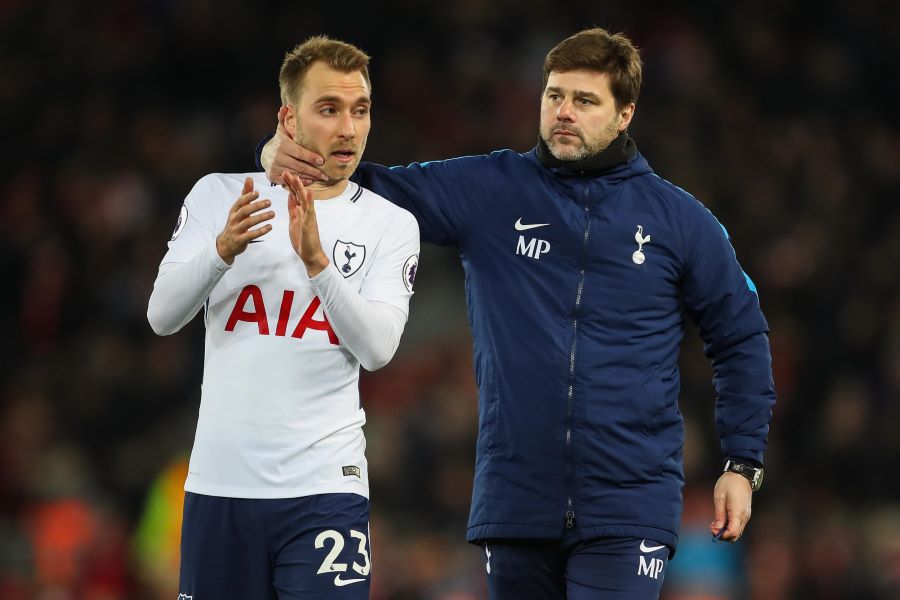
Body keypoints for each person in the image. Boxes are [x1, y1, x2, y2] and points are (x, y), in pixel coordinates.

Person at [261, 27, 775, 600]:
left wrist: (742, 462)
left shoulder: (681, 222)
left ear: (625, 114)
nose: (563, 112)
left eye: (585, 101)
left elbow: (741, 336)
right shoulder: (491, 189)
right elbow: (365, 186)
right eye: (554, 96)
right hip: (515, 501)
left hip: (629, 503)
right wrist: (282, 157)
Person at [147, 36, 420, 600]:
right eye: (329, 109)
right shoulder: (219, 195)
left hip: (326, 489)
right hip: (221, 486)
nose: (348, 128)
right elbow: (162, 315)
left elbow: (379, 350)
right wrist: (222, 249)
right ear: (287, 118)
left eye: (360, 110)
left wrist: (318, 264)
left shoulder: (390, 225)